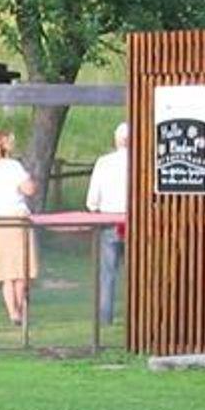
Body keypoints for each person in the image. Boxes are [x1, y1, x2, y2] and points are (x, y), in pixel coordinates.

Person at [0, 129, 38, 326]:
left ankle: (13, 313)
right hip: (17, 219)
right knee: (21, 270)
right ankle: (20, 308)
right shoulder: (13, 166)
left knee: (6, 274)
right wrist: (30, 180)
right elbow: (29, 189)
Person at [86, 121, 130, 326]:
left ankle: (105, 316)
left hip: (109, 219)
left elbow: (93, 198)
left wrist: (94, 208)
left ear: (117, 140)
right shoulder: (142, 161)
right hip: (133, 219)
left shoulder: (104, 163)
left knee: (107, 272)